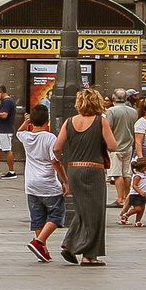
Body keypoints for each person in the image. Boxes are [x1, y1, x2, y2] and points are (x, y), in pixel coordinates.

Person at [55, 90, 116, 265]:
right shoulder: (100, 121)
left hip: (74, 170)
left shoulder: (69, 122)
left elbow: (56, 148)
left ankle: (70, 244)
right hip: (93, 170)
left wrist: (63, 160)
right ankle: (90, 255)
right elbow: (113, 146)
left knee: (83, 210)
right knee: (96, 212)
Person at [16, 104, 65, 263]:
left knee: (38, 217)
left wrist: (26, 121)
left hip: (31, 184)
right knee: (57, 215)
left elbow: (19, 132)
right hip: (48, 183)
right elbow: (55, 161)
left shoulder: (26, 137)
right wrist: (65, 180)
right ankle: (39, 242)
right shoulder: (50, 138)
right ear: (48, 121)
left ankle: (42, 248)